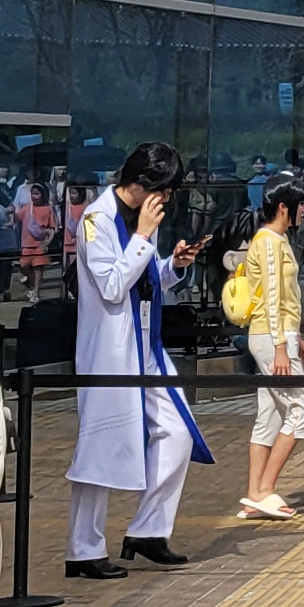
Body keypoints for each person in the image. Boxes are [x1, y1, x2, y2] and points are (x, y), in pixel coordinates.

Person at [62, 144, 204, 576]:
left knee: (177, 431)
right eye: (165, 190)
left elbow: (144, 277)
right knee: (99, 447)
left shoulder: (144, 220)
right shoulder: (96, 220)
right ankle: (83, 549)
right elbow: (111, 286)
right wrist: (142, 237)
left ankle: (149, 529)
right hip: (110, 351)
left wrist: (173, 265)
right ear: (142, 184)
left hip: (145, 344)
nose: (167, 199)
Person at [231, 182, 304, 518]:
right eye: (300, 203)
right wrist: (282, 346)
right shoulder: (267, 241)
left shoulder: (278, 240)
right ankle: (265, 489)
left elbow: (285, 299)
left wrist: (297, 341)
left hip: (277, 335)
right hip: (271, 336)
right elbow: (273, 297)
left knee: (270, 414)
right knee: (301, 411)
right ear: (283, 207)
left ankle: (255, 494)